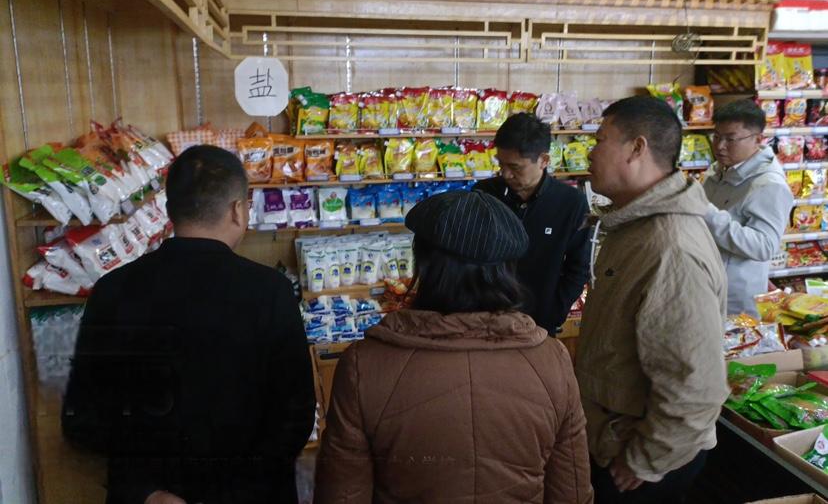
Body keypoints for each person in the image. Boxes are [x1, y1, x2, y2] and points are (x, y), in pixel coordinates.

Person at [62, 145, 316, 504]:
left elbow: (83, 420)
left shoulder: (112, 290)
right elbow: (296, 416)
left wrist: (145, 491)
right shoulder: (270, 291)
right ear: (238, 210)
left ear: (169, 212)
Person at [314, 189, 593, 504]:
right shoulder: (552, 361)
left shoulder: (363, 366)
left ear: (423, 264)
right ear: (507, 270)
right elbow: (571, 491)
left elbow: (343, 492)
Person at [577, 97, 728, 504]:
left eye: (600, 139)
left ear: (637, 148)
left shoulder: (670, 248)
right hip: (615, 437)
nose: (590, 152)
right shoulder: (635, 225)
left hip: (641, 460)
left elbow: (697, 387)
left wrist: (644, 461)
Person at [475, 113, 591, 332]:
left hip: (540, 322)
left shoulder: (571, 202)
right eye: (501, 164)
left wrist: (554, 312)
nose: (505, 174)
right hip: (485, 317)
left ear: (544, 160)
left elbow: (579, 267)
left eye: (515, 167)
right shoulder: (484, 193)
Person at [703, 99, 793, 316]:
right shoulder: (719, 169)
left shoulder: (769, 184)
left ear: (758, 139)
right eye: (717, 137)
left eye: (730, 139)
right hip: (706, 283)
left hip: (734, 299)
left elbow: (764, 246)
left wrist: (707, 214)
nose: (720, 146)